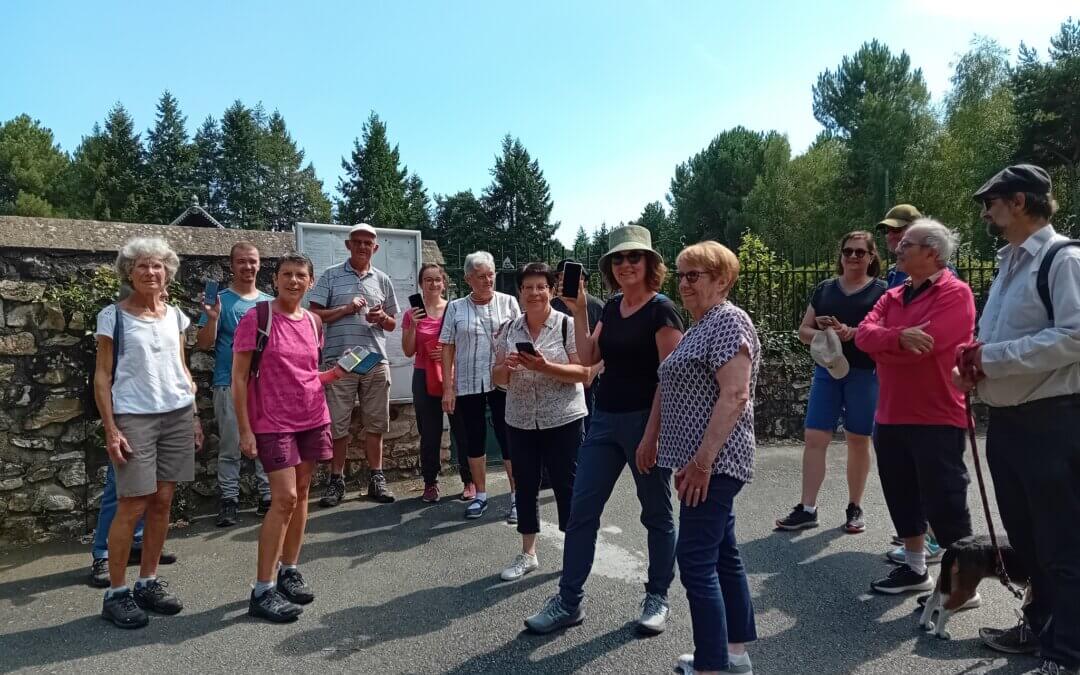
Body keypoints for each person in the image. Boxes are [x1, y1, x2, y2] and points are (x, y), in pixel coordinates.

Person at [525, 224, 684, 636]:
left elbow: (672, 379)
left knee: (656, 513)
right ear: (610, 268)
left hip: (646, 421)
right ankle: (569, 602)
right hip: (604, 421)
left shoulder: (662, 311)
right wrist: (579, 310)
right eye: (618, 258)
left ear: (650, 263)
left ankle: (658, 596)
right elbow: (588, 357)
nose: (626, 264)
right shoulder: (611, 308)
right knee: (581, 511)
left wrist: (652, 436)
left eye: (634, 257)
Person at [953, 164, 1080, 673]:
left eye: (992, 201)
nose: (987, 211)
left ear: (1020, 202)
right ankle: (1045, 626)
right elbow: (998, 340)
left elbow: (1074, 336)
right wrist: (975, 371)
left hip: (1052, 423)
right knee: (1027, 540)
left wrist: (992, 361)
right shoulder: (1010, 262)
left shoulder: (1063, 259)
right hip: (1009, 423)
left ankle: (1068, 651)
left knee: (1061, 540)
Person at [643, 242, 760, 675]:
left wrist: (702, 462)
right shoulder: (701, 326)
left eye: (695, 275)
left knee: (694, 561)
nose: (685, 283)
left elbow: (734, 395)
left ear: (722, 279)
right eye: (682, 275)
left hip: (716, 464)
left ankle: (712, 664)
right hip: (702, 463)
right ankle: (734, 655)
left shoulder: (728, 321)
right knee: (723, 555)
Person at [855, 219, 976, 597]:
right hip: (890, 414)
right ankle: (915, 569)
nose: (898, 249)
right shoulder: (893, 295)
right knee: (901, 493)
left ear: (932, 252)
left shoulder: (956, 293)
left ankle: (964, 583)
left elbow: (932, 345)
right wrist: (897, 340)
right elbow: (862, 335)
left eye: (907, 243)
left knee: (945, 501)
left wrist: (885, 348)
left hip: (937, 415)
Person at [93, 237, 204, 629]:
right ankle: (117, 592)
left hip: (175, 414)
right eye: (142, 266)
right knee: (132, 505)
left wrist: (192, 416)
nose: (151, 272)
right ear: (129, 272)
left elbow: (182, 368)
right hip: (134, 418)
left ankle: (148, 581)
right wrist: (111, 429)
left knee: (162, 502)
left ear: (167, 272)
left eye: (157, 266)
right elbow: (103, 375)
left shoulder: (175, 316)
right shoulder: (114, 316)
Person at [233, 253, 345, 623]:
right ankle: (262, 589)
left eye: (300, 276)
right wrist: (245, 429)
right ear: (276, 280)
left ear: (311, 282)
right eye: (286, 275)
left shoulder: (314, 322)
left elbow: (308, 373)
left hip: (312, 417)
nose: (293, 281)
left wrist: (334, 374)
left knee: (302, 496)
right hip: (273, 422)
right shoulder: (258, 318)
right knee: (284, 499)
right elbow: (239, 378)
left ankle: (289, 570)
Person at [776, 232, 886, 534]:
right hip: (827, 371)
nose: (853, 257)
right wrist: (829, 336)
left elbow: (884, 333)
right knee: (814, 437)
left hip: (864, 372)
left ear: (871, 256)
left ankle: (855, 507)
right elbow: (803, 331)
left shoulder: (883, 292)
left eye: (860, 252)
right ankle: (808, 508)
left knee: (858, 440)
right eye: (848, 251)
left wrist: (853, 332)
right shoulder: (824, 289)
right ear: (840, 255)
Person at [493, 263, 589, 581]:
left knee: (567, 485)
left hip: (563, 418)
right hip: (520, 419)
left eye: (540, 286)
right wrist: (506, 366)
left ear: (550, 290)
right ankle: (528, 553)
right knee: (525, 486)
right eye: (527, 287)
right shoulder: (509, 330)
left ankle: (572, 554)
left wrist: (545, 366)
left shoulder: (566, 325)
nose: (534, 293)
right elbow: (496, 377)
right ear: (519, 292)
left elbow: (583, 373)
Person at [308, 223, 399, 507]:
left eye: (367, 242)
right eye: (357, 242)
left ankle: (377, 478)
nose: (362, 246)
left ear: (376, 247)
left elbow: (393, 323)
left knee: (376, 424)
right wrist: (347, 309)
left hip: (374, 360)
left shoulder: (383, 279)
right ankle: (337, 481)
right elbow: (314, 316)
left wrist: (381, 318)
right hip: (340, 363)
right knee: (338, 425)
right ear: (348, 245)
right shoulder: (331, 276)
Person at [196, 241, 274, 526]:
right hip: (228, 383)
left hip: (264, 386)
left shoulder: (269, 302)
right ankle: (229, 500)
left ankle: (267, 497)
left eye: (252, 261)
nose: (248, 267)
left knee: (265, 441)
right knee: (230, 445)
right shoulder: (220, 300)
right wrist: (213, 319)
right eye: (241, 261)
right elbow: (203, 344)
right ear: (232, 265)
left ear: (259, 264)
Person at [439, 251, 522, 521]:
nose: (487, 280)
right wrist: (448, 387)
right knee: (474, 439)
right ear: (468, 279)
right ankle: (481, 495)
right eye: (481, 276)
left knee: (509, 438)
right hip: (468, 382)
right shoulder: (455, 307)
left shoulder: (509, 302)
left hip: (503, 381)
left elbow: (521, 337)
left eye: (490, 275)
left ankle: (515, 497)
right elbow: (448, 346)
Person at [401, 263, 449, 503]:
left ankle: (469, 479)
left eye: (437, 279)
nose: (432, 284)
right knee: (429, 432)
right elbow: (408, 351)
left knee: (462, 427)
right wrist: (414, 327)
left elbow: (464, 341)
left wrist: (448, 353)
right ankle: (430, 482)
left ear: (444, 283)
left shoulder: (453, 309)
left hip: (451, 373)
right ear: (420, 284)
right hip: (423, 374)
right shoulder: (412, 314)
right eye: (427, 280)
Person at [550, 258, 604, 434]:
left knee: (588, 428)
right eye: (560, 276)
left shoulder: (597, 306)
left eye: (573, 276)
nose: (566, 280)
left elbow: (605, 346)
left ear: (584, 280)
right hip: (559, 377)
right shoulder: (552, 306)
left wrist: (591, 373)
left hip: (588, 382)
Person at [877, 204, 923, 289]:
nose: (890, 235)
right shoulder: (893, 273)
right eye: (886, 230)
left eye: (896, 229)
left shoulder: (935, 269)